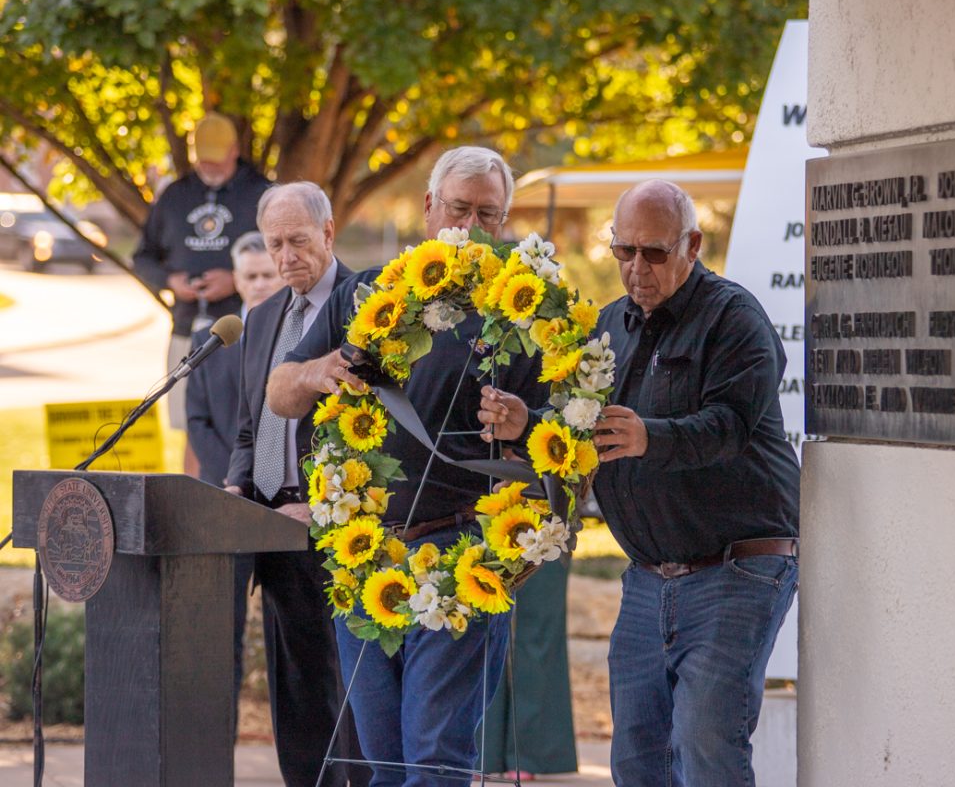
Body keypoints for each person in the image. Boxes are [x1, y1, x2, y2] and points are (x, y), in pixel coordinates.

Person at [478, 179, 800, 786]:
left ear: (693, 245)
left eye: (653, 252)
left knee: (705, 741)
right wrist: (527, 424)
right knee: (636, 757)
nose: (635, 268)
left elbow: (730, 426)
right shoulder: (607, 328)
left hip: (737, 568)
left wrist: (651, 436)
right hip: (649, 576)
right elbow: (579, 430)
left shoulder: (734, 318)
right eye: (623, 251)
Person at [265, 146, 547, 786]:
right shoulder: (369, 292)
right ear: (427, 207)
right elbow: (280, 392)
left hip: (463, 555)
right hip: (364, 556)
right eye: (458, 208)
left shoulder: (523, 311)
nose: (471, 227)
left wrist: (522, 423)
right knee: (383, 766)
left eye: (488, 214)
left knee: (434, 763)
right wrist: (320, 370)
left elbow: (567, 443)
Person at [224, 182, 367, 787]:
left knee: (352, 697)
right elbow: (247, 430)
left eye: (298, 242)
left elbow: (377, 433)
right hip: (269, 531)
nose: (285, 258)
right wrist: (234, 494)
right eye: (275, 244)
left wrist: (326, 503)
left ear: (329, 233)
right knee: (296, 692)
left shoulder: (367, 306)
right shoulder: (260, 321)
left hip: (339, 532)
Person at [185, 230, 285, 712]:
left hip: (286, 507)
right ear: (237, 280)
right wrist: (233, 477)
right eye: (252, 276)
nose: (262, 283)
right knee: (220, 632)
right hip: (223, 499)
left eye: (269, 274)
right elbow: (197, 419)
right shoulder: (211, 341)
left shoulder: (297, 332)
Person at [133, 112, 271, 433]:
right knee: (190, 426)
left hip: (244, 333)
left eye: (216, 161)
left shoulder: (260, 194)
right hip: (186, 329)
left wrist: (235, 280)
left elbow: (281, 261)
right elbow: (142, 257)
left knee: (243, 427)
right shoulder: (175, 196)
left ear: (234, 150)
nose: (208, 168)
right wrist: (170, 281)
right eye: (203, 161)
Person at [479, 556, 578, 779]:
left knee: (540, 629)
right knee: (481, 617)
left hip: (550, 526)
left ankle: (529, 752)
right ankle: (481, 749)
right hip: (478, 521)